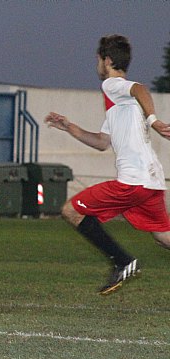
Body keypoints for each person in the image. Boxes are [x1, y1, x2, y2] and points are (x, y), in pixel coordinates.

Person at [45, 34, 170, 295]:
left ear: (108, 60)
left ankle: (123, 261)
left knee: (71, 210)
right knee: (163, 237)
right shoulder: (119, 105)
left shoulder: (113, 85)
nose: (97, 65)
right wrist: (68, 127)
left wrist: (154, 121)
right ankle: (124, 261)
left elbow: (140, 89)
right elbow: (102, 142)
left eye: (98, 60)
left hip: (133, 181)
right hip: (150, 180)